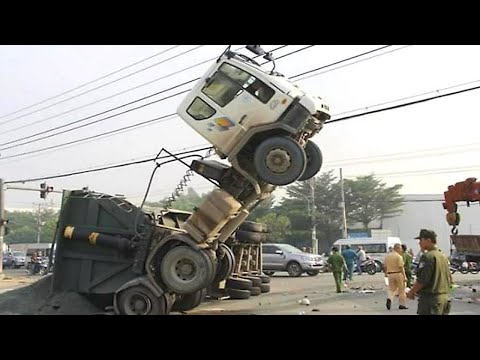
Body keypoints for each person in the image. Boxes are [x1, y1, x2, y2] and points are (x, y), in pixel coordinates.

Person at [407, 229, 453, 315]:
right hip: (444, 299)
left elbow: (422, 280)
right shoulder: (442, 256)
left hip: (431, 300)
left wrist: (412, 292)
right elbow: (450, 279)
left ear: (428, 240)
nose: (419, 243)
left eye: (421, 240)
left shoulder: (427, 257)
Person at [383, 243, 408, 310]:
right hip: (398, 274)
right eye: (400, 248)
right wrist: (404, 276)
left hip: (390, 274)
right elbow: (401, 267)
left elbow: (384, 266)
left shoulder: (387, 256)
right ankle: (402, 304)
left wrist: (385, 274)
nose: (401, 250)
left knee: (391, 289)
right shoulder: (398, 256)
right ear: (397, 248)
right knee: (401, 290)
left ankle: (389, 298)